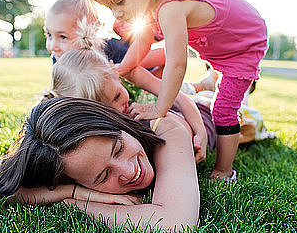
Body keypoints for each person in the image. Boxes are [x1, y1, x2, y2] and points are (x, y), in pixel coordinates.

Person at [85, 0, 268, 182]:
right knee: (217, 95)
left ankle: (224, 172)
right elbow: (143, 41)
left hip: (242, 46)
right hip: (220, 44)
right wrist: (123, 67)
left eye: (120, 1)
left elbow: (177, 62)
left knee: (223, 108)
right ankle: (209, 82)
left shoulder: (171, 6)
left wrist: (159, 108)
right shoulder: (151, 2)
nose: (117, 14)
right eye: (110, 7)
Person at [0, 97, 200, 233]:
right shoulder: (59, 154)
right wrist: (71, 194)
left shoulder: (165, 126)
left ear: (114, 121)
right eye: (103, 176)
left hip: (206, 109)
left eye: (118, 148)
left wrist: (74, 204)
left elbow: (175, 224)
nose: (129, 172)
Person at [49, 47, 217, 155]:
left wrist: (200, 132)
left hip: (191, 111)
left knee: (213, 108)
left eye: (116, 96)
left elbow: (180, 98)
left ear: (114, 70)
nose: (118, 108)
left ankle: (210, 83)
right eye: (106, 110)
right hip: (168, 114)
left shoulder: (130, 73)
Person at [44, 0, 165, 71]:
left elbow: (164, 56)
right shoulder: (60, 59)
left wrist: (122, 67)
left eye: (63, 37)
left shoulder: (110, 50)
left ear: (89, 33)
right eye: (49, 35)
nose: (52, 46)